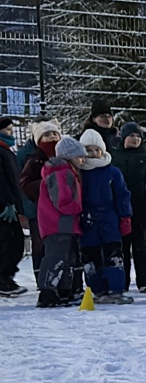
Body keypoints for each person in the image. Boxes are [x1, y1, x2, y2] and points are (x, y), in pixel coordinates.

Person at [76, 130, 133, 304]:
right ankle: (97, 289)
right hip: (87, 219)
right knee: (90, 255)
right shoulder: (79, 172)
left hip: (109, 218)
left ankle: (116, 289)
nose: (93, 154)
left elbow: (122, 195)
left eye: (96, 150)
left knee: (113, 254)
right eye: (89, 150)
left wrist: (125, 216)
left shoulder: (112, 172)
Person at [36, 136, 86, 307]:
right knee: (56, 257)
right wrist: (79, 208)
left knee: (67, 259)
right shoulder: (61, 173)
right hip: (57, 225)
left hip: (66, 225)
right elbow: (62, 201)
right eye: (79, 156)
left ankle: (64, 290)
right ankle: (47, 291)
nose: (83, 159)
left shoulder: (68, 172)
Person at [113, 122, 146, 293]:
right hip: (120, 210)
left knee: (143, 248)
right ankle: (122, 281)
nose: (135, 139)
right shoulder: (114, 157)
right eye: (131, 136)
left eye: (138, 136)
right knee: (122, 248)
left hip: (142, 209)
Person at [19, 120, 62, 284]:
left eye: (54, 134)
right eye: (46, 135)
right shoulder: (34, 159)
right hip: (39, 210)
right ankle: (42, 279)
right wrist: (47, 187)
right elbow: (25, 184)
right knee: (40, 246)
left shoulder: (65, 155)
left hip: (64, 210)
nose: (52, 137)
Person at [0, 117, 27, 296]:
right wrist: (7, 202)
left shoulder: (7, 151)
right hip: (3, 207)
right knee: (9, 244)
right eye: (8, 129)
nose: (11, 133)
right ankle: (3, 280)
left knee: (15, 243)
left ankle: (6, 278)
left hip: (11, 204)